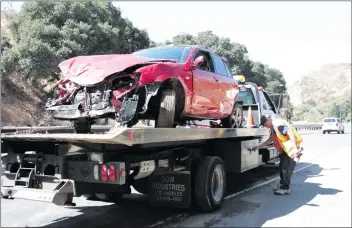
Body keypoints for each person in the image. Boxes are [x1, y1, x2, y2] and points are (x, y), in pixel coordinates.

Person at [253, 114, 303, 195]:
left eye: (265, 123)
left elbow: (290, 133)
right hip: (285, 150)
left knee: (286, 169)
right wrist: (258, 147)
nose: (264, 125)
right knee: (282, 167)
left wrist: (294, 148)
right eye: (263, 124)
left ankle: (285, 188)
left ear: (269, 120)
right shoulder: (273, 128)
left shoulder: (278, 125)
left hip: (290, 149)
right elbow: (269, 140)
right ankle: (282, 185)